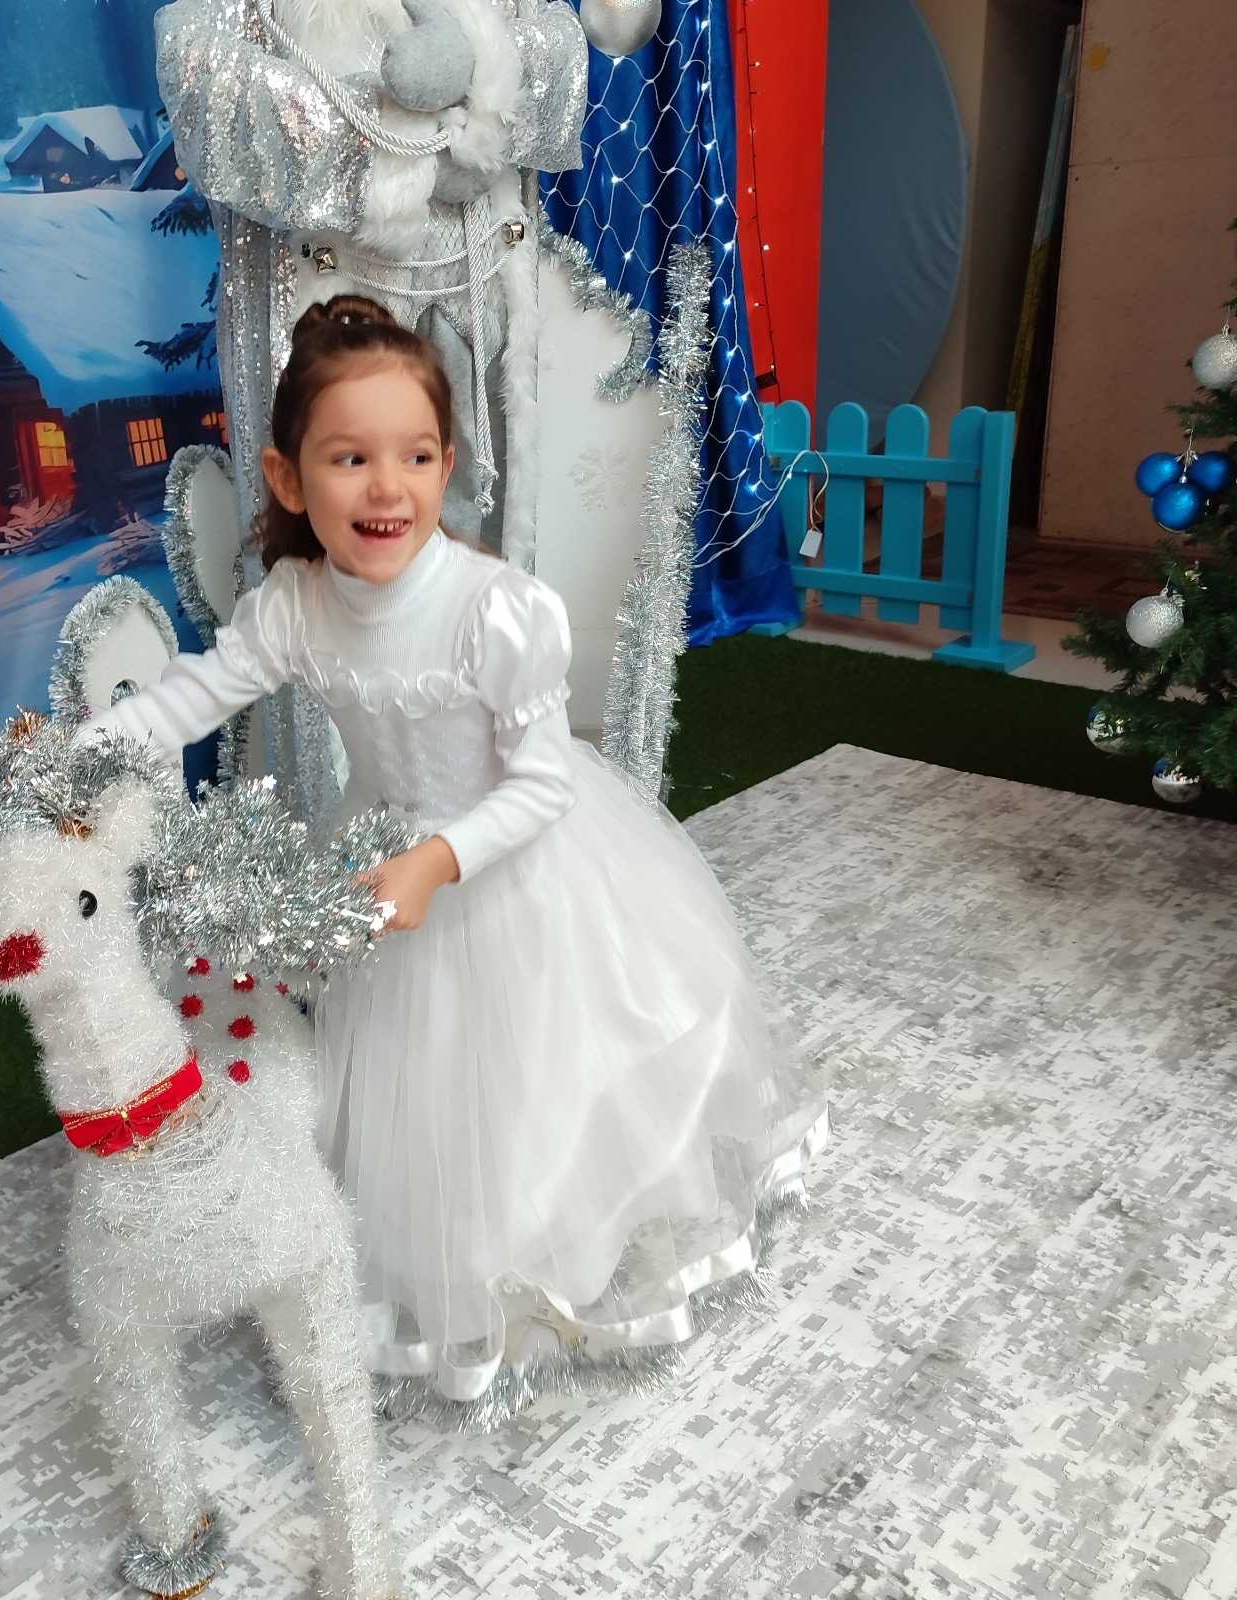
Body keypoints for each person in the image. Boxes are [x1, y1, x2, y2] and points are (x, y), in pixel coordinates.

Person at [81, 295, 828, 1422]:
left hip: (516, 866)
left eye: (416, 456)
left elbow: (542, 783)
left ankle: (550, 1263)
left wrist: (439, 860)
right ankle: (444, 1265)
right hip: (385, 868)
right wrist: (77, 761)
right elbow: (189, 698)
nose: (387, 487)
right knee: (414, 1086)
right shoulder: (295, 604)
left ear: (445, 466)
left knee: (530, 1075)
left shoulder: (496, 609)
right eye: (351, 458)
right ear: (290, 479)